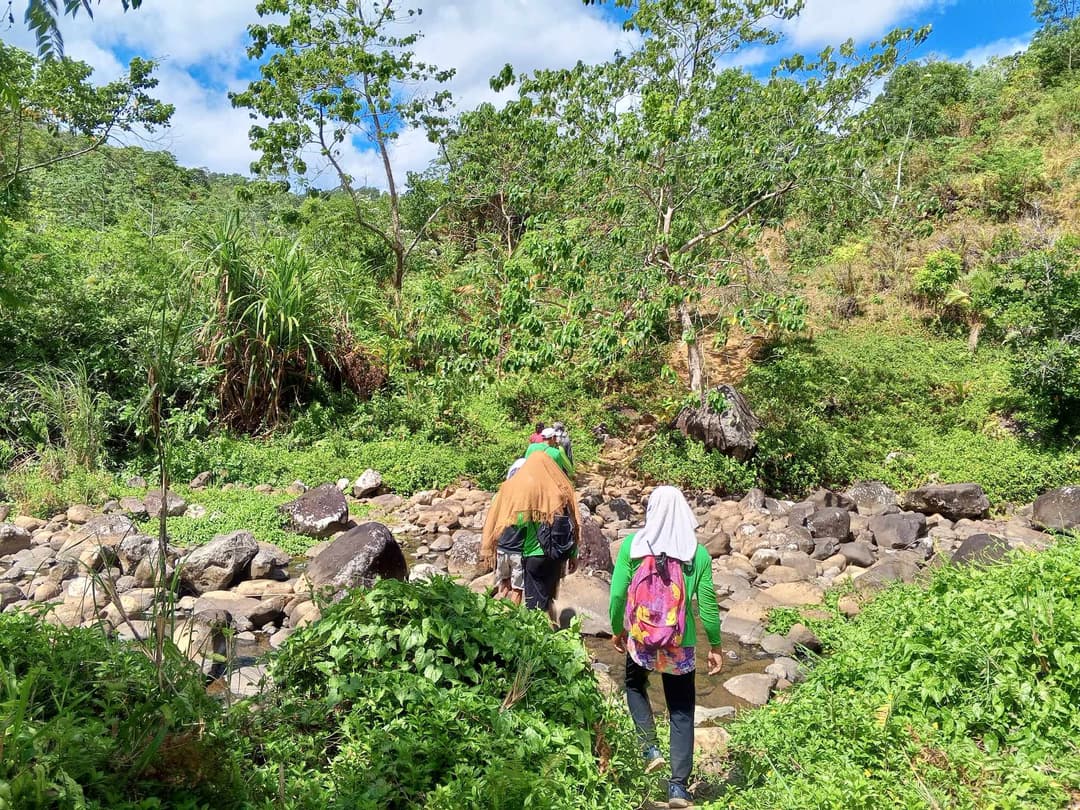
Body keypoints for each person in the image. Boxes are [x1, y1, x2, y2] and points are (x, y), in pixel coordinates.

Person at [608, 486, 724, 809]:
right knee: (682, 711)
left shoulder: (633, 547)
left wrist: (618, 630)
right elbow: (709, 606)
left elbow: (617, 595)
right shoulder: (696, 554)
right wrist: (715, 644)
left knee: (633, 686)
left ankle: (650, 750)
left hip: (642, 641)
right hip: (680, 647)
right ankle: (677, 789)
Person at [481, 452, 580, 612]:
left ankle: (538, 634)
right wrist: (574, 553)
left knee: (535, 605)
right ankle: (554, 632)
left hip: (532, 554)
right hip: (557, 556)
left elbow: (518, 523)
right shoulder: (561, 491)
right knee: (548, 599)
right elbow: (572, 524)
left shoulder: (524, 493)